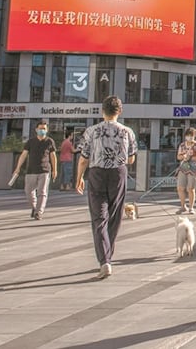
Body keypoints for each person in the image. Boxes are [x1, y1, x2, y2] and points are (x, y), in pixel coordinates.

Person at [76, 95, 137, 279]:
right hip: (118, 173)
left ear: (102, 111)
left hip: (97, 173)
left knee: (99, 217)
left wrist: (79, 178)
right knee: (115, 215)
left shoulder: (91, 131)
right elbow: (131, 158)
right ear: (120, 111)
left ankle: (104, 261)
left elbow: (84, 158)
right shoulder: (127, 132)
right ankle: (108, 255)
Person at [12, 123, 57, 220]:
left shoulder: (50, 141)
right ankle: (34, 207)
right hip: (31, 170)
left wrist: (54, 170)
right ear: (36, 129)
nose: (42, 130)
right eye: (40, 128)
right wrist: (18, 167)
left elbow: (53, 156)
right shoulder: (30, 142)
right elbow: (24, 155)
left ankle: (39, 212)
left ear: (47, 130)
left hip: (44, 170)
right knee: (28, 191)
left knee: (42, 192)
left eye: (44, 128)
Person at [176, 127, 196, 214]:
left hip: (193, 169)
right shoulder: (182, 145)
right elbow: (178, 156)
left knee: (190, 188)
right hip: (183, 168)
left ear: (194, 136)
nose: (189, 137)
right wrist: (183, 157)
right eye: (188, 135)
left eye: (191, 135)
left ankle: (191, 207)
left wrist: (191, 158)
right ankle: (183, 206)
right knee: (180, 188)